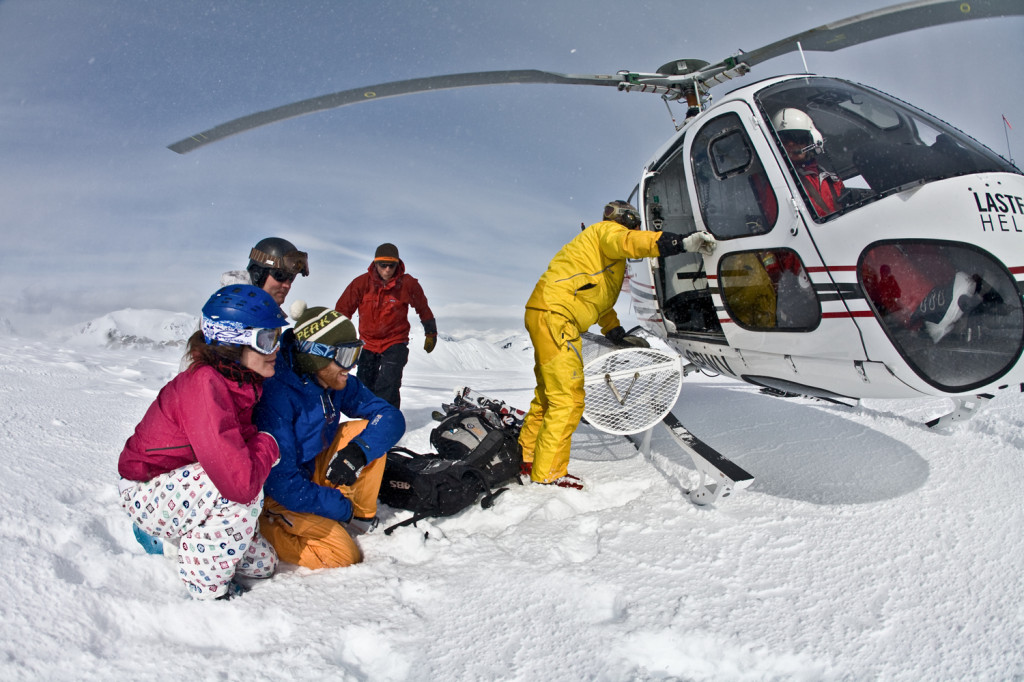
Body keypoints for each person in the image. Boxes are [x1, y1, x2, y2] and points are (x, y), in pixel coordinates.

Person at [518, 201, 717, 489]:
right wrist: (679, 243)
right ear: (629, 221)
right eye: (635, 225)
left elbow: (598, 302)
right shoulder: (608, 233)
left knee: (548, 397)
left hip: (547, 314)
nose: (636, 230)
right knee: (568, 399)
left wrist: (615, 332)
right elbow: (629, 242)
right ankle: (548, 473)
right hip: (558, 317)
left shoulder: (601, 254)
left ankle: (527, 456)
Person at [117, 284, 287, 600]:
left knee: (263, 565)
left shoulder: (240, 383)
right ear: (234, 343)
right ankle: (203, 583)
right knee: (242, 491)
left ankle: (186, 538)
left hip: (185, 488)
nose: (275, 348)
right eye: (267, 339)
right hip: (147, 491)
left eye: (277, 338)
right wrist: (268, 444)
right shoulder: (205, 385)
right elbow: (239, 483)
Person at [254, 301, 405, 569]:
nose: (351, 367)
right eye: (345, 357)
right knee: (343, 555)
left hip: (310, 472)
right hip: (278, 493)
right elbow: (283, 485)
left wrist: (358, 452)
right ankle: (260, 533)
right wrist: (339, 506)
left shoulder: (333, 380)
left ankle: (358, 517)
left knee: (365, 433)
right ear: (317, 356)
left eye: (355, 355)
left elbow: (390, 417)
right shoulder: (277, 394)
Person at [335, 243, 436, 408]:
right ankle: (366, 419)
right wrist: (338, 337)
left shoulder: (408, 284)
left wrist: (430, 332)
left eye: (392, 265)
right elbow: (343, 310)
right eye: (383, 265)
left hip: (395, 341)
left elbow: (422, 307)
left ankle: (388, 420)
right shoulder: (361, 283)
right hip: (368, 342)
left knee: (389, 384)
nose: (388, 269)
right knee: (365, 384)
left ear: (398, 264)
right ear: (375, 263)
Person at [772, 108, 845, 217]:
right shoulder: (781, 184)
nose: (791, 144)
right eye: (785, 139)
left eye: (796, 137)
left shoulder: (830, 178)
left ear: (812, 139)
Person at [221, 236, 310, 306]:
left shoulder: (263, 312)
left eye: (291, 278)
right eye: (280, 275)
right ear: (258, 275)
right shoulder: (231, 309)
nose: (287, 285)